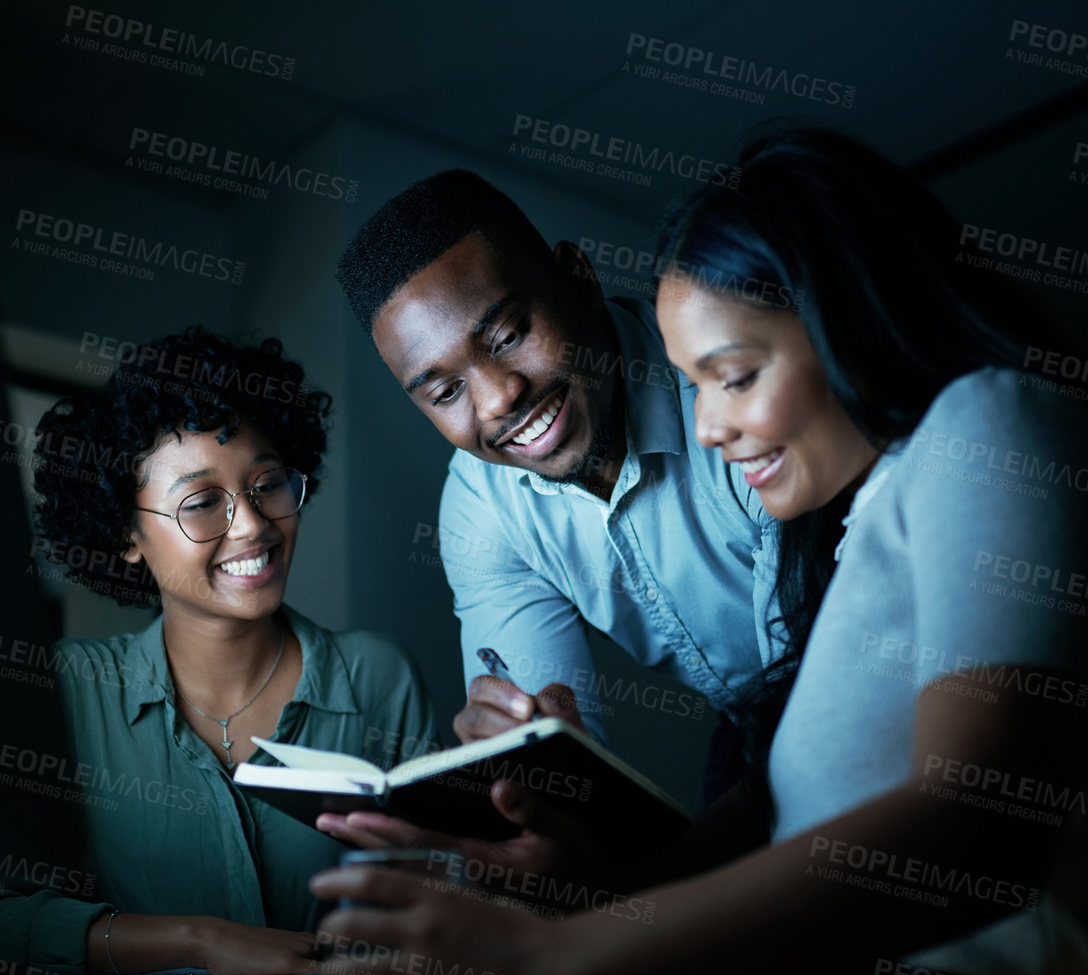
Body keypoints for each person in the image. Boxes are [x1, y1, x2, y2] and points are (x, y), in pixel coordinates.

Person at [308, 128, 1088, 975]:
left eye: (734, 375)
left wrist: (556, 959)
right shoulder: (875, 507)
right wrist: (551, 877)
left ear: (840, 316)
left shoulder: (987, 427)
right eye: (690, 384)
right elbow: (764, 814)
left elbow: (977, 830)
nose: (705, 430)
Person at [0, 328, 439, 975]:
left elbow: (435, 909)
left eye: (267, 484)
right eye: (201, 503)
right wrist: (193, 939)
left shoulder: (377, 679)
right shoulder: (65, 691)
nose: (251, 525)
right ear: (125, 534)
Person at [329, 171, 782, 788]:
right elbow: (559, 756)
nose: (496, 400)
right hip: (750, 728)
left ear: (578, 278)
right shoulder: (479, 504)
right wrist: (529, 764)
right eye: (444, 391)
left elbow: (834, 695)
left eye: (509, 336)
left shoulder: (724, 379)